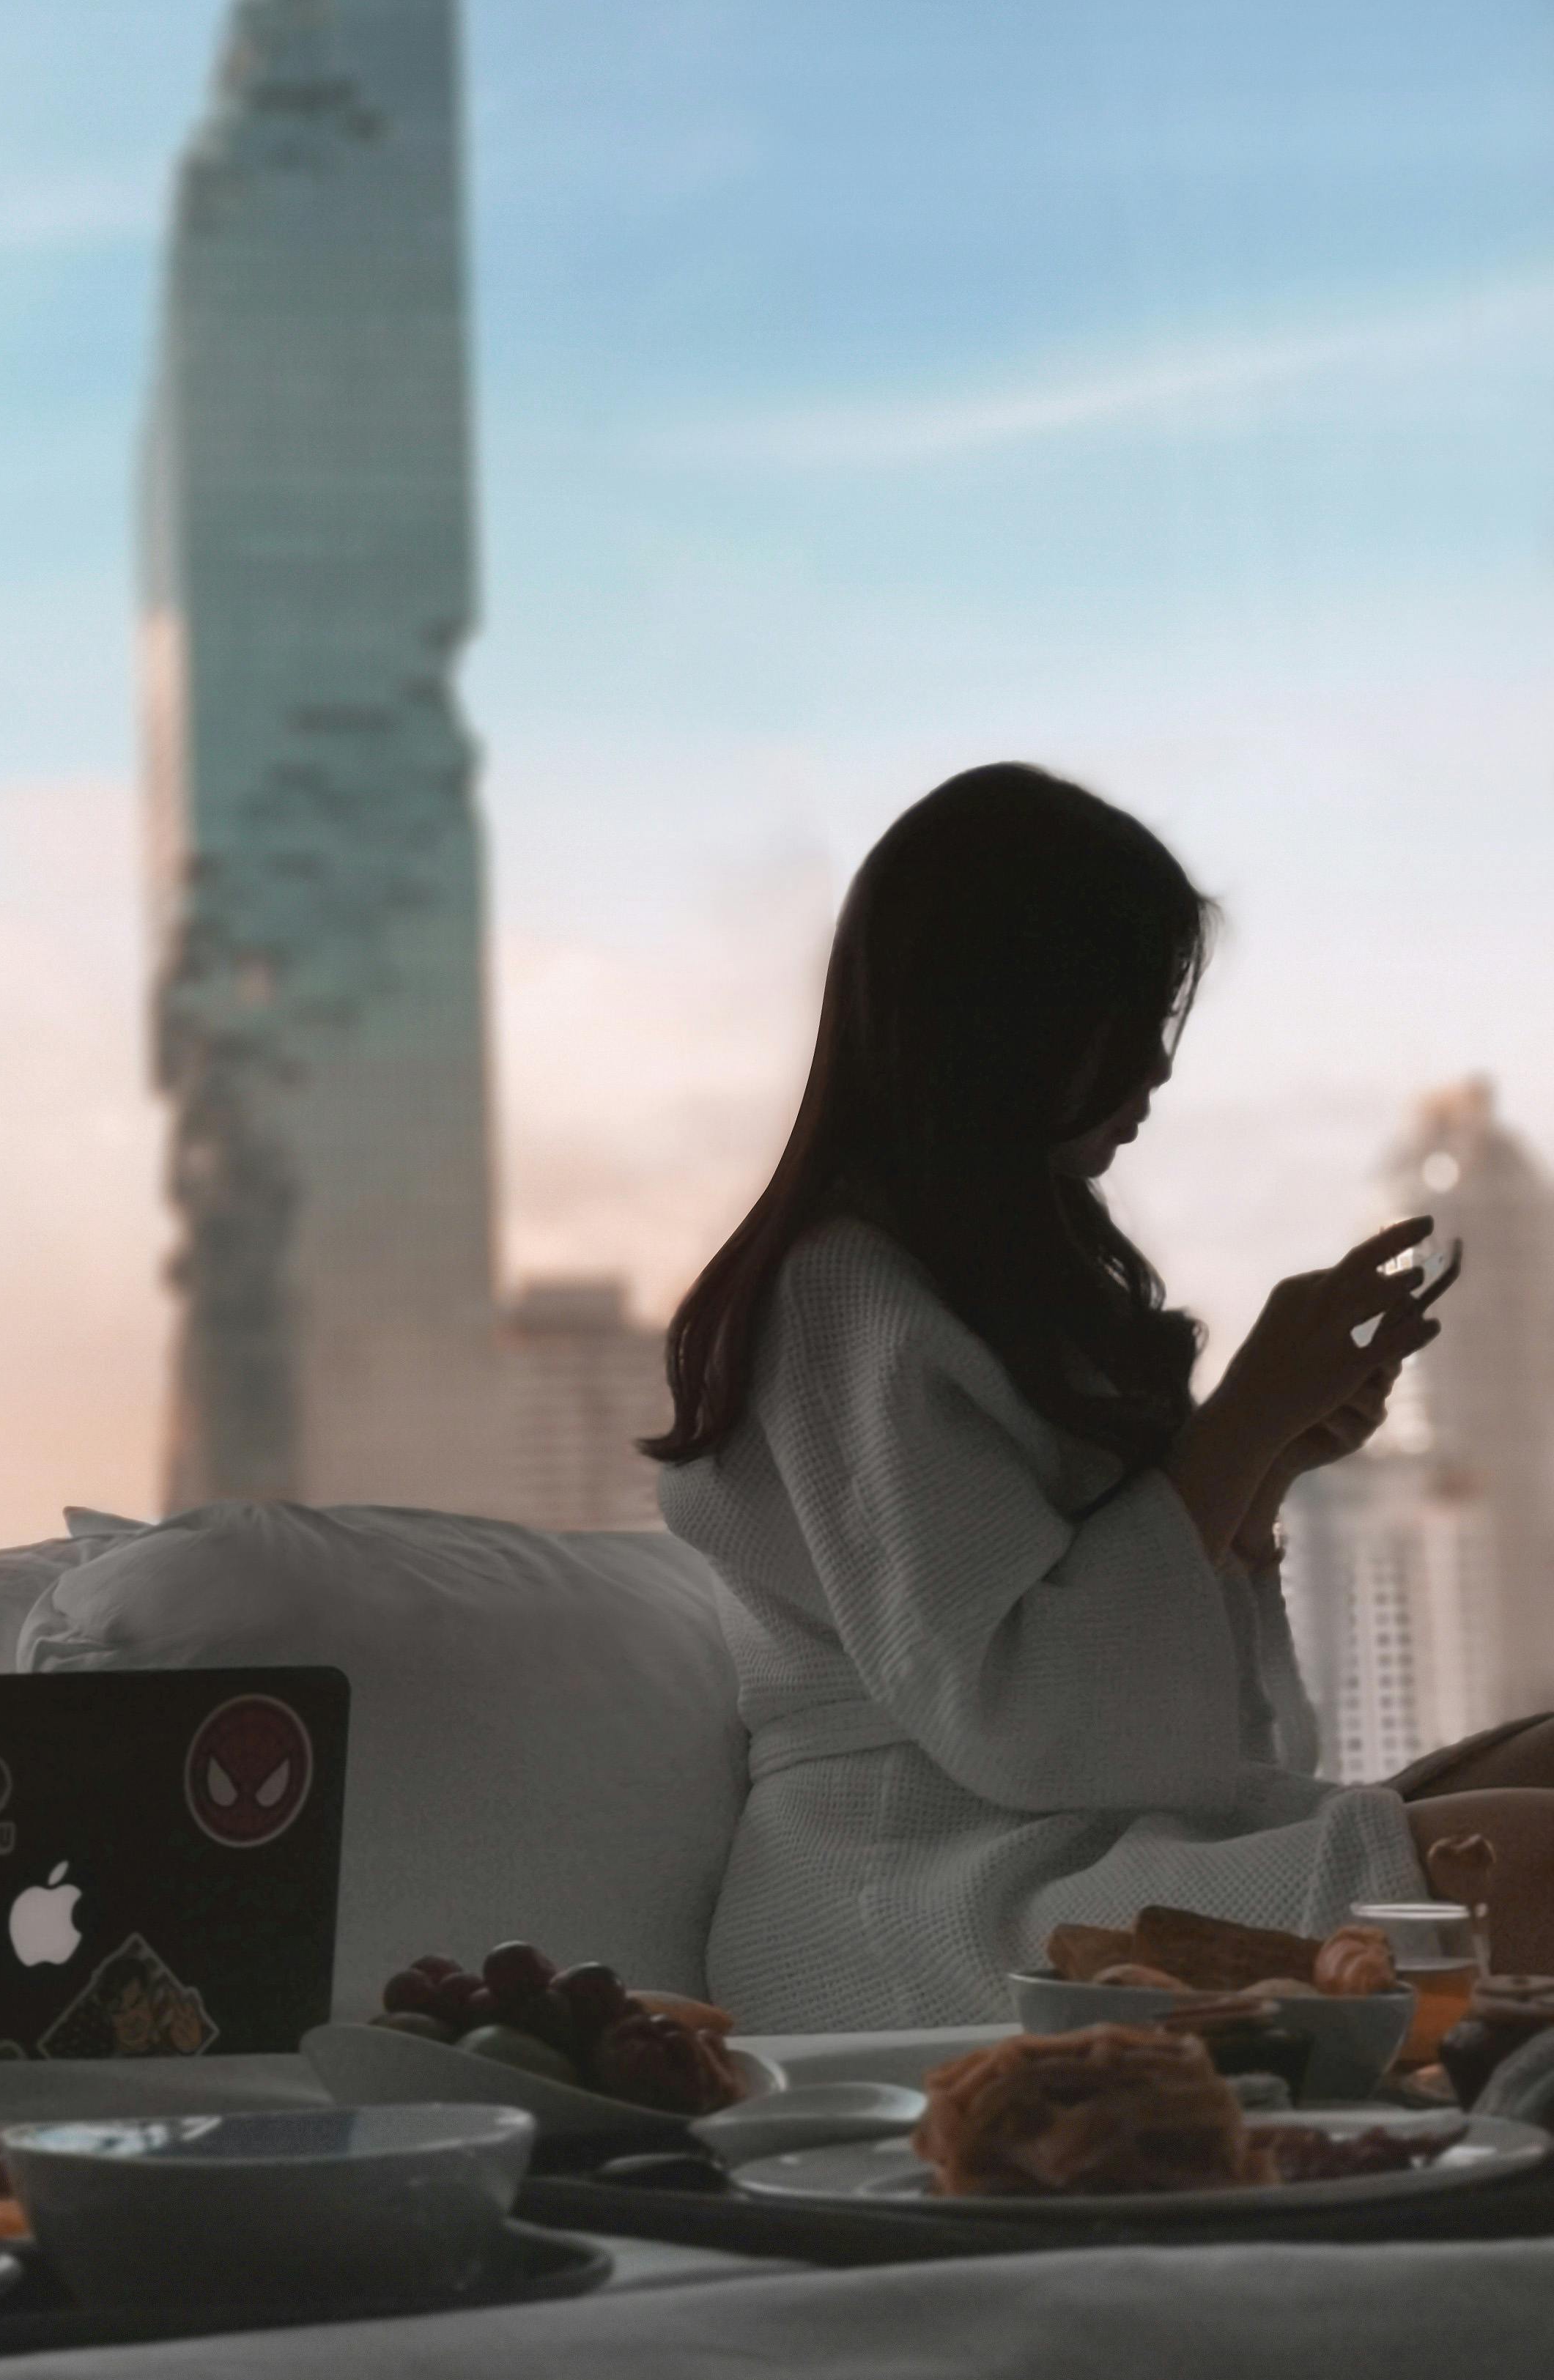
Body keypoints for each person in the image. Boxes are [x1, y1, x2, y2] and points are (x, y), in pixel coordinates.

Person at [651, 762, 1554, 2030]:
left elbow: (1225, 1744)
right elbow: (1027, 1723)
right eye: (1126, 1022)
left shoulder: (1003, 1284)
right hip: (919, 1898)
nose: (1159, 1072)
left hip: (1092, 1843)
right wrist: (1237, 1425)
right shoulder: (838, 1299)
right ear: (1005, 1022)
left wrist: (1261, 1475)